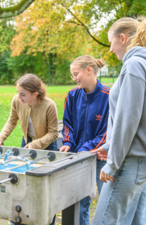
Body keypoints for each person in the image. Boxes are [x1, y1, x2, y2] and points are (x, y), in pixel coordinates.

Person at [91, 17, 146, 225]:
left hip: (128, 163)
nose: (111, 50)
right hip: (140, 161)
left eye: (111, 43)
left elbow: (128, 119)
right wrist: (109, 144)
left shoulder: (134, 64)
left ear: (122, 38)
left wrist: (112, 164)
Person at [0, 73, 59, 225]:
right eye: (18, 93)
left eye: (23, 94)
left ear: (35, 93)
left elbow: (54, 133)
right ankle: (18, 220)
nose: (19, 97)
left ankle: (47, 221)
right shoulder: (17, 101)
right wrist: (0, 138)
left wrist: (36, 144)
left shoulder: (49, 105)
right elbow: (11, 121)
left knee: (46, 189)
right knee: (21, 184)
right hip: (27, 144)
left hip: (47, 147)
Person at [60, 55, 109, 225]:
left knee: (106, 200)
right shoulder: (72, 95)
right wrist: (67, 143)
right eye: (72, 75)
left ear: (89, 70)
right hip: (76, 157)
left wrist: (86, 149)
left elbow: (107, 132)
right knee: (79, 202)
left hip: (101, 157)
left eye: (75, 74)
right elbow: (67, 124)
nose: (73, 79)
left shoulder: (108, 96)